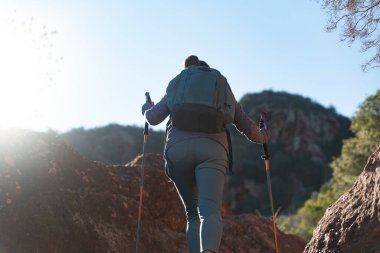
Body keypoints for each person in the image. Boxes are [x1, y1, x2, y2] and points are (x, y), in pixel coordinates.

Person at [141, 55, 269, 253]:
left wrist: (147, 107)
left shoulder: (179, 83)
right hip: (213, 150)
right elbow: (247, 127)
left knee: (192, 214)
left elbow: (153, 118)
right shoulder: (220, 86)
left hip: (178, 151)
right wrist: (263, 135)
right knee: (209, 211)